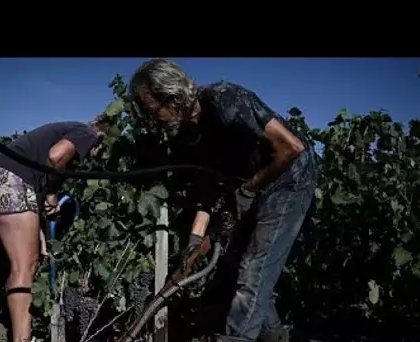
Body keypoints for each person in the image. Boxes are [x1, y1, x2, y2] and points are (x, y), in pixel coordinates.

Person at [128, 59, 318, 342]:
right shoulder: (190, 136)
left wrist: (248, 190)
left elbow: (290, 147)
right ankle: (274, 337)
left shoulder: (225, 100)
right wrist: (194, 243)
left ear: (172, 95)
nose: (153, 119)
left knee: (254, 268)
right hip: (256, 185)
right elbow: (207, 191)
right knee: (233, 267)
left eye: (152, 110)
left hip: (289, 180)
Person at [0, 120, 106, 342]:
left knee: (23, 262)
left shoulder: (65, 129)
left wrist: (39, 231)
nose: (96, 155)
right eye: (100, 150)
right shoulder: (88, 132)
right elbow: (56, 157)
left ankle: (21, 330)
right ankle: (22, 339)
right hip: (9, 181)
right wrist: (53, 191)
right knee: (23, 268)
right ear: (102, 137)